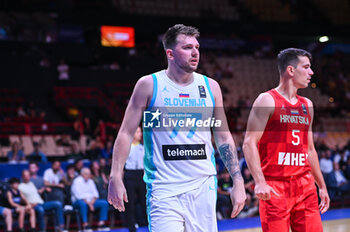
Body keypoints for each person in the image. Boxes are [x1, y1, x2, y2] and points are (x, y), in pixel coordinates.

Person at [108, 24, 246, 231]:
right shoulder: (149, 85)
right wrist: (115, 176)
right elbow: (126, 133)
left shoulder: (210, 87)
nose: (195, 53)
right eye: (188, 47)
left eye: (197, 47)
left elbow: (224, 136)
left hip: (203, 186)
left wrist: (238, 180)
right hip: (163, 188)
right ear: (170, 53)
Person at [243, 48, 330, 232]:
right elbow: (248, 143)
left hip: (305, 185)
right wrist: (259, 181)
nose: (311, 72)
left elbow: (310, 150)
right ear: (291, 70)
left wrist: (321, 185)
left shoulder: (307, 105)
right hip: (275, 187)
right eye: (306, 67)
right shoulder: (267, 100)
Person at [123, 127, 147, 232]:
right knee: (130, 203)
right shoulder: (126, 148)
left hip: (141, 175)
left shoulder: (143, 147)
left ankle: (150, 225)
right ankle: (131, 227)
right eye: (137, 132)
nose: (140, 134)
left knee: (145, 201)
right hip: (129, 175)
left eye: (140, 132)